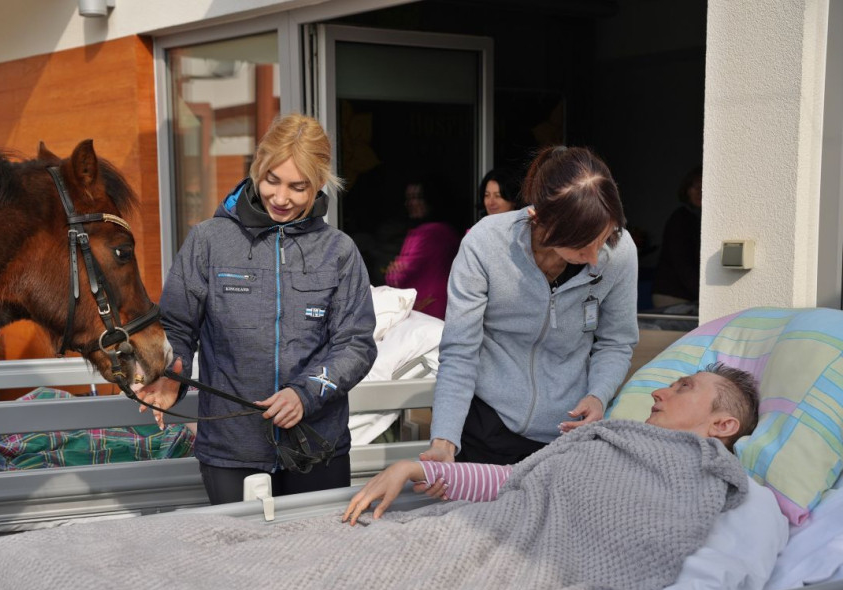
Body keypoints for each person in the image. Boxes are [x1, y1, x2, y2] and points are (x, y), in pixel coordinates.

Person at [136, 113, 377, 505]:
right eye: (272, 180)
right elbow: (178, 329)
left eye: (298, 187)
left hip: (317, 447)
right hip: (232, 451)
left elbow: (356, 345)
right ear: (257, 170)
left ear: (318, 184)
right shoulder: (208, 241)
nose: (281, 198)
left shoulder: (339, 252)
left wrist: (305, 395)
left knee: (317, 562)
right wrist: (171, 375)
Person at [426, 145, 639, 469]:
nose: (596, 257)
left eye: (604, 236)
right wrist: (444, 440)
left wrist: (598, 395)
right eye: (582, 245)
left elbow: (616, 341)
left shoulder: (620, 252)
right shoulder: (485, 244)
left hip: (567, 433)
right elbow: (460, 350)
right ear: (538, 219)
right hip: (487, 425)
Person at [344, 363, 760, 524]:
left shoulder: (715, 483)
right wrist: (415, 468)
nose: (658, 393)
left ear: (723, 424)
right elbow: (516, 480)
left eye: (682, 388)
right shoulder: (610, 439)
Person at [384, 174, 463, 319]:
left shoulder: (428, 234)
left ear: (431, 199)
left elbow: (397, 275)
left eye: (417, 197)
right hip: (445, 306)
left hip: (429, 309)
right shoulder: (446, 230)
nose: (411, 203)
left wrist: (394, 271)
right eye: (409, 198)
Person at [651, 165, 703, 309]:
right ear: (686, 190)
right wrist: (704, 294)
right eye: (694, 186)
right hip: (674, 296)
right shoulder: (681, 218)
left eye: (703, 185)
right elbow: (682, 263)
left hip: (686, 294)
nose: (699, 191)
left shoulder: (701, 220)